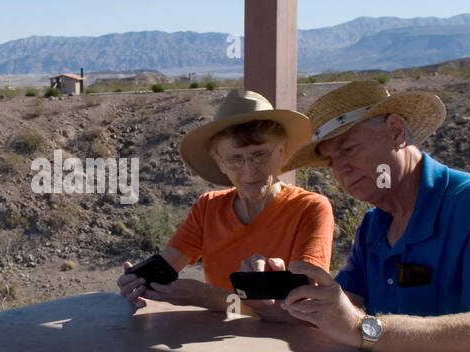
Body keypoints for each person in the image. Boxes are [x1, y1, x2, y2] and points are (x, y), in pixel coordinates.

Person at [260, 80, 470, 352]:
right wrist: (283, 303)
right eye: (331, 161)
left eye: (348, 150)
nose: (341, 170)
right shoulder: (374, 226)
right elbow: (346, 308)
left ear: (396, 132)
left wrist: (364, 329)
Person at [116, 89, 333, 319]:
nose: (250, 170)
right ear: (220, 162)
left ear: (280, 152)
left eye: (259, 155)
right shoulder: (208, 207)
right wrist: (140, 283)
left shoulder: (310, 208)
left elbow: (306, 310)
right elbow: (166, 266)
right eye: (235, 159)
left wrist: (209, 297)